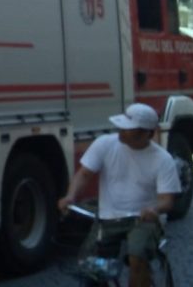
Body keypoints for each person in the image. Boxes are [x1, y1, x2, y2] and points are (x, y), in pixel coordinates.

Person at [58, 103, 181, 287]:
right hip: (108, 217)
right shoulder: (105, 144)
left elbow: (167, 200)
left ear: (147, 133)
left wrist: (155, 209)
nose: (121, 131)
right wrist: (70, 196)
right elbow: (84, 174)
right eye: (122, 127)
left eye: (128, 129)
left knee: (137, 255)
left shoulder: (163, 160)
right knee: (91, 263)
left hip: (142, 219)